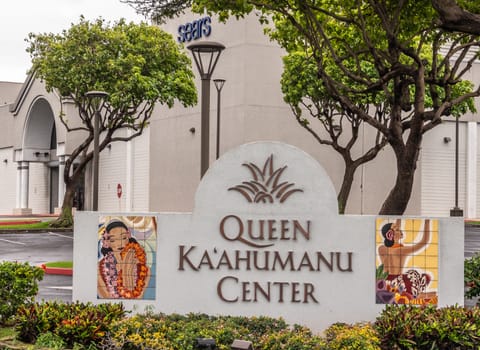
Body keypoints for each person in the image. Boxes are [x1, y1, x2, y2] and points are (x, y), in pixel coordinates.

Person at [97, 219, 150, 299]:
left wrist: (127, 271)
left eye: (124, 237)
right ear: (107, 243)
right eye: (113, 240)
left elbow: (137, 298)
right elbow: (106, 298)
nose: (120, 243)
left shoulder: (144, 270)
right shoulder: (99, 268)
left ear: (129, 239)